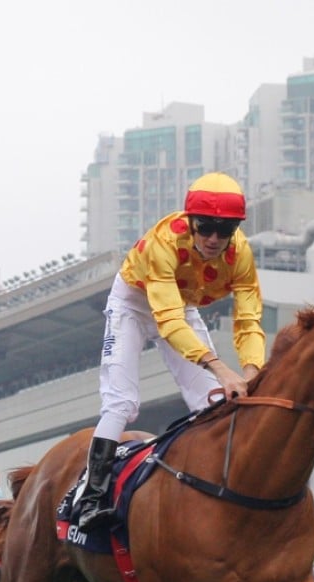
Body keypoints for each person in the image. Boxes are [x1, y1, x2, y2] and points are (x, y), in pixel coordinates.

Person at [75, 172, 265, 534]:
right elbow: (168, 322)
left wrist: (253, 370)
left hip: (180, 304)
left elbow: (249, 320)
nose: (213, 239)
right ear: (190, 222)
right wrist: (221, 368)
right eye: (205, 227)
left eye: (224, 230)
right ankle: (91, 498)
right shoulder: (164, 242)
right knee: (121, 404)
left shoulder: (241, 254)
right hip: (134, 304)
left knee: (210, 401)